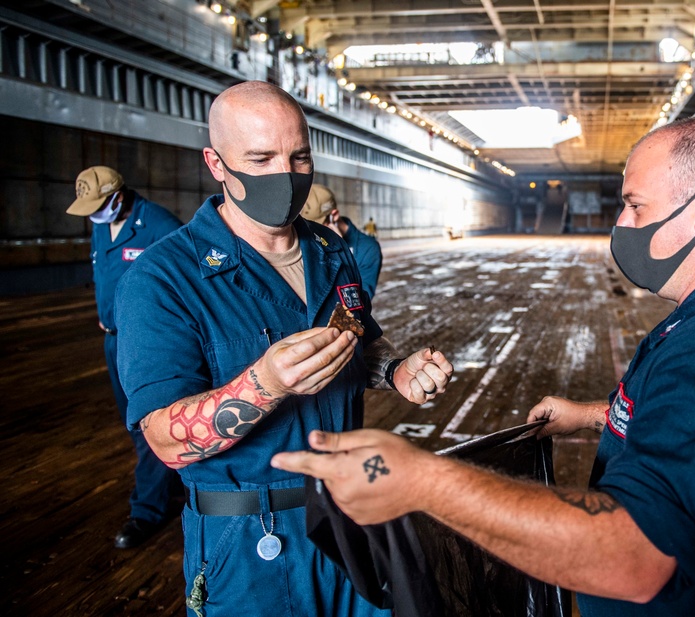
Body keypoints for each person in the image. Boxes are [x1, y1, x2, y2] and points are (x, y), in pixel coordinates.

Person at [272, 117, 695, 616]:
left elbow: (635, 557)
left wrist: (422, 481)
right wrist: (597, 416)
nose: (622, 223)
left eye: (636, 205)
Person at [114, 81, 453, 617]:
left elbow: (357, 339)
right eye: (261, 157)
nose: (286, 175)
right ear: (217, 163)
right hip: (251, 541)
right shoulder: (164, 278)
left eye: (299, 156)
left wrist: (395, 369)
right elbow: (166, 441)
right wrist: (265, 384)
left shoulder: (330, 249)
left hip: (352, 515)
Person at [65, 165, 183, 549]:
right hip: (114, 342)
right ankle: (173, 485)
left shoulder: (159, 225)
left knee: (149, 424)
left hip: (150, 344)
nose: (94, 216)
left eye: (98, 206)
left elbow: (189, 278)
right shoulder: (102, 224)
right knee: (134, 427)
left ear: (118, 196)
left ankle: (148, 510)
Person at [301, 184, 383, 298]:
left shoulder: (367, 248)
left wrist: (337, 253)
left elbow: (361, 301)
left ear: (334, 216)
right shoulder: (305, 238)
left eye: (318, 225)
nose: (313, 232)